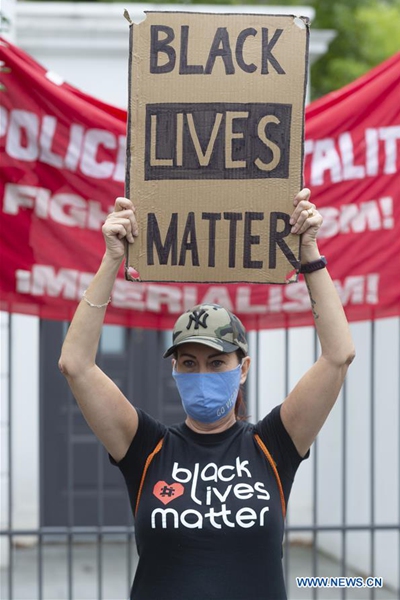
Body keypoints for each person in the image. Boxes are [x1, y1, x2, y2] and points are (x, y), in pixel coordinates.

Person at [59, 188, 355, 600]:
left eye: (217, 363)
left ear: (243, 369)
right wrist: (112, 259)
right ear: (174, 370)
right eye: (189, 363)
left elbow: (338, 356)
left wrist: (309, 253)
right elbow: (76, 364)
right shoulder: (146, 447)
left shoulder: (273, 444)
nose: (202, 374)